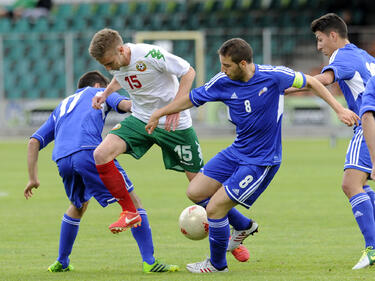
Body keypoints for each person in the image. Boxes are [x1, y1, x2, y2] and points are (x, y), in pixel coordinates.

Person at [145, 38, 359, 273]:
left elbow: (311, 83)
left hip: (261, 161)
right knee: (195, 191)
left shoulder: (274, 76)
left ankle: (217, 265)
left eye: (227, 66)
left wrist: (339, 109)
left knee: (215, 209)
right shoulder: (222, 82)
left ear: (243, 63)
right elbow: (193, 98)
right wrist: (160, 113)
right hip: (236, 151)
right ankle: (243, 225)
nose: (222, 71)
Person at [88, 28, 254, 263]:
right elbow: (121, 76)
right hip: (142, 120)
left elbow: (188, 71)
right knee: (101, 154)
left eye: (109, 62)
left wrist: (178, 105)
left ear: (122, 50)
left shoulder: (150, 55)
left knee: (200, 190)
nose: (109, 68)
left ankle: (235, 232)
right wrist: (105, 94)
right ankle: (129, 212)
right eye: (104, 65)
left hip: (175, 125)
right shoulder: (119, 65)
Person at [24, 70, 179, 273]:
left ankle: (62, 261)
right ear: (99, 86)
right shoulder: (97, 92)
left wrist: (33, 178)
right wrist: (159, 108)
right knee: (132, 202)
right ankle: (150, 262)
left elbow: (34, 141)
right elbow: (127, 105)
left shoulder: (62, 106)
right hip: (89, 153)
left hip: (62, 159)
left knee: (77, 205)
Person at [308, 13, 375, 269]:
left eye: (320, 39)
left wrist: (279, 85)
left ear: (333, 36)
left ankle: (372, 248)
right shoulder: (363, 56)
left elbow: (319, 81)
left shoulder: (342, 56)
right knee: (361, 184)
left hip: (368, 122)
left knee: (351, 184)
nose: (319, 46)